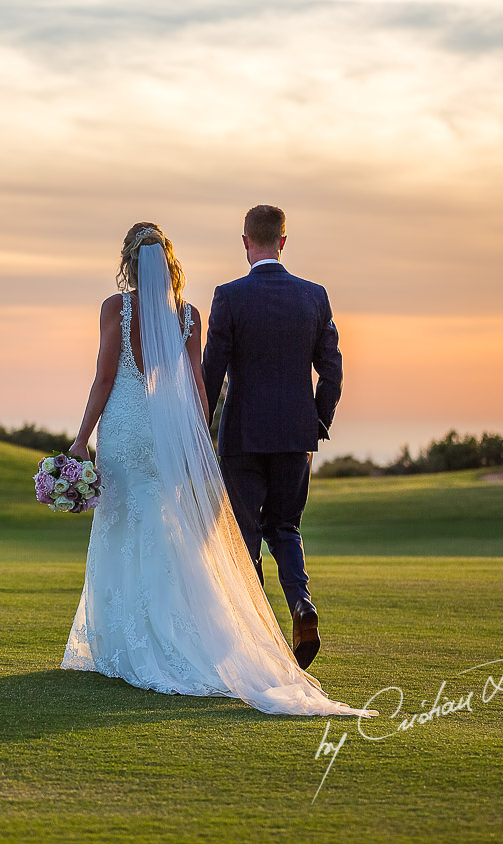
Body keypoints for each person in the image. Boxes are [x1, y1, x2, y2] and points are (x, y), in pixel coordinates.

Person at [61, 221, 369, 716]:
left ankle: (121, 643)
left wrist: (80, 440)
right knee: (168, 528)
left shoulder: (115, 308)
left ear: (128, 262)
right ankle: (201, 628)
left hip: (122, 428)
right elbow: (202, 389)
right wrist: (199, 442)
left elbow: (103, 380)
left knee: (119, 524)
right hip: (168, 433)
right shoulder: (188, 315)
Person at [202, 204, 339, 670]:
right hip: (295, 436)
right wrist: (318, 419)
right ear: (283, 241)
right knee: (286, 527)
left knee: (245, 536)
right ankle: (301, 605)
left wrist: (200, 428)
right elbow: (333, 371)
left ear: (245, 242)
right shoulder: (314, 296)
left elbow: (211, 372)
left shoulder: (229, 296)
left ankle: (254, 631)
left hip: (241, 436)